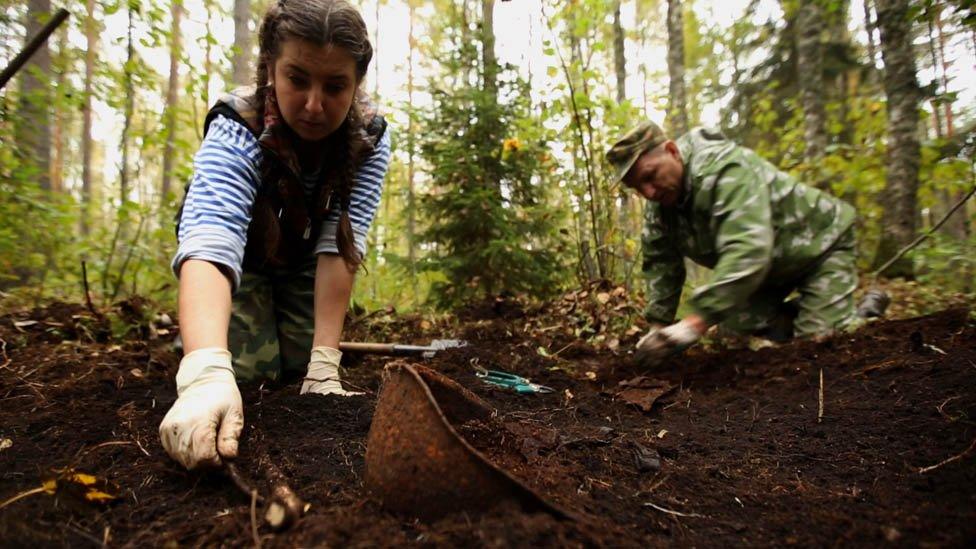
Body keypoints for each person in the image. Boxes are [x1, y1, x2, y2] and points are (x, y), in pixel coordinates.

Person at [159, 0, 391, 470]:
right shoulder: (236, 125)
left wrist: (325, 363)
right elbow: (211, 236)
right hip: (242, 262)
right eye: (297, 79)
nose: (313, 105)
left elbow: (339, 244)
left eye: (335, 86)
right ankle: (196, 339)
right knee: (248, 372)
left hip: (304, 256)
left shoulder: (370, 138)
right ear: (270, 67)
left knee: (300, 365)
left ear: (357, 83)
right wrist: (205, 372)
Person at [605, 121, 873, 366]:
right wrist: (658, 327)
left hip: (822, 247)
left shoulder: (723, 170)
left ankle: (859, 315)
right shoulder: (660, 204)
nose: (648, 192)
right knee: (733, 335)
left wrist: (692, 324)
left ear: (673, 151)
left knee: (820, 345)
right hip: (769, 270)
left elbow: (748, 249)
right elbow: (661, 262)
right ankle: (824, 306)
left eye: (651, 176)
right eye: (638, 187)